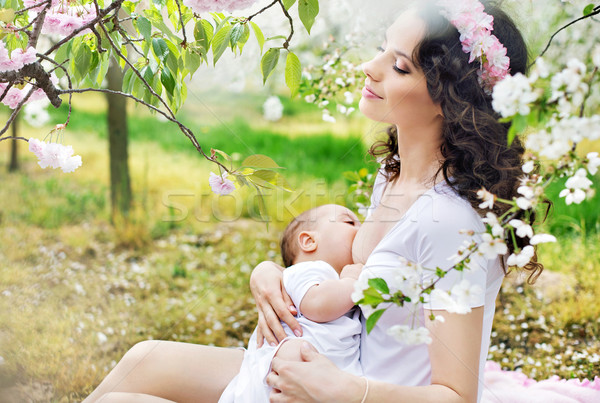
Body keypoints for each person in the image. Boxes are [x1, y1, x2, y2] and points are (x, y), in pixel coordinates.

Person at [83, 1, 541, 402]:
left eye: (399, 66)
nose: (371, 67)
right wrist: (270, 275)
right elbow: (359, 268)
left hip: (355, 393)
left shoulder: (449, 221)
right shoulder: (394, 174)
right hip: (328, 367)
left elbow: (456, 397)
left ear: (451, 97)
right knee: (143, 361)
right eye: (383, 47)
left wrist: (342, 392)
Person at [219, 204, 363, 402]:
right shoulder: (307, 271)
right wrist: (352, 282)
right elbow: (317, 305)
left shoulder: (337, 282)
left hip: (321, 377)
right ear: (309, 241)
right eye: (350, 222)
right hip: (281, 377)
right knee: (295, 352)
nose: (361, 229)